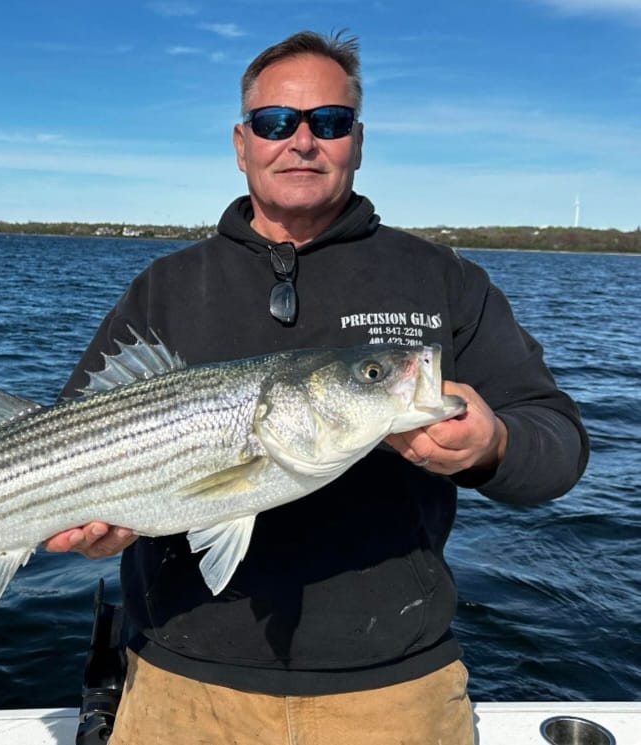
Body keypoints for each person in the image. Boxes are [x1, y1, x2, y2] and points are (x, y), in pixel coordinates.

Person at [45, 30, 588, 745]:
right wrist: (97, 514)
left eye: (327, 121)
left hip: (395, 691)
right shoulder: (165, 288)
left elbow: (558, 446)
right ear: (242, 143)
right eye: (275, 122)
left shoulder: (442, 278)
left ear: (356, 140)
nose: (301, 141)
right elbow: (66, 444)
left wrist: (492, 443)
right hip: (181, 691)